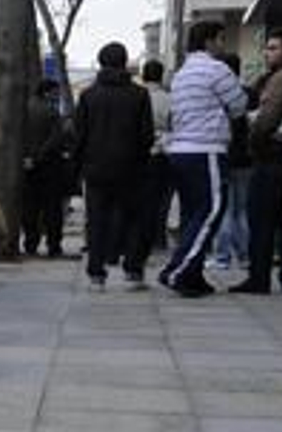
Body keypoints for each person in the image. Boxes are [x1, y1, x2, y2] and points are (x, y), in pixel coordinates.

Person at [159, 20, 248, 297]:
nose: (223, 46)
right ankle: (177, 271)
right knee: (211, 211)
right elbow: (239, 106)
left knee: (192, 216)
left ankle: (193, 277)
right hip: (206, 149)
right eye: (221, 40)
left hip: (181, 150)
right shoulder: (216, 69)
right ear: (209, 41)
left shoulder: (181, 74)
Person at [72, 42, 155, 290]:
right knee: (133, 220)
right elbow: (146, 135)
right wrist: (139, 159)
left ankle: (97, 274)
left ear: (100, 62)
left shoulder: (88, 95)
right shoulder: (139, 95)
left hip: (95, 168)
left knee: (97, 220)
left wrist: (78, 166)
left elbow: (80, 135)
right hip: (131, 168)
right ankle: (132, 271)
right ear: (125, 62)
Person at [230, 29, 282, 295]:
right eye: (267, 48)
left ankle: (259, 277)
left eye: (273, 48)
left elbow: (267, 119)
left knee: (262, 220)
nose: (267, 52)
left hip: (272, 157)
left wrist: (255, 136)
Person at [212, 54, 254, 269]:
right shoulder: (249, 93)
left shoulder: (219, 95)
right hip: (247, 158)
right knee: (242, 210)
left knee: (225, 209)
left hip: (225, 155)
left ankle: (222, 258)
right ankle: (245, 256)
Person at [22, 78, 69, 257]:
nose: (57, 96)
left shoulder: (24, 109)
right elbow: (56, 139)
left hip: (27, 165)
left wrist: (29, 157)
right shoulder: (51, 111)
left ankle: (30, 243)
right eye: (56, 92)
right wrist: (40, 156)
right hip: (50, 165)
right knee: (52, 208)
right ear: (48, 92)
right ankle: (53, 244)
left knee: (30, 207)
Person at [141, 59, 174, 249]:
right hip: (165, 152)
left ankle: (144, 236)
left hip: (144, 154)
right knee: (163, 200)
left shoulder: (138, 95)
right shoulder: (170, 98)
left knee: (144, 199)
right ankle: (159, 238)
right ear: (161, 75)